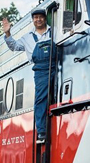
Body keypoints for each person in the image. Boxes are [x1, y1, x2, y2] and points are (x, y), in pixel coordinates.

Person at [3, 8, 55, 141]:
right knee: (40, 99)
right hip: (40, 70)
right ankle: (42, 131)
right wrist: (8, 33)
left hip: (57, 64)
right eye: (35, 17)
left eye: (41, 17)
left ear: (45, 18)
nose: (38, 19)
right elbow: (14, 46)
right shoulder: (27, 38)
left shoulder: (55, 32)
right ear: (33, 20)